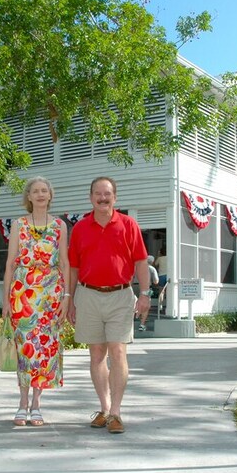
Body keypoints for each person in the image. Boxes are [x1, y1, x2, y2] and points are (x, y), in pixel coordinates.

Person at [68, 176, 150, 434]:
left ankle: (116, 412)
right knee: (96, 354)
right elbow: (73, 268)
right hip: (88, 295)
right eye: (98, 194)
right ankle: (103, 409)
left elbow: (140, 262)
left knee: (118, 352)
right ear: (90, 197)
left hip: (120, 295)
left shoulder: (128, 225)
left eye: (107, 194)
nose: (102, 198)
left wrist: (146, 294)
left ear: (115, 197)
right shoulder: (80, 228)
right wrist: (69, 300)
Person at [2, 176, 70, 427]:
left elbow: (64, 262)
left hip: (51, 296)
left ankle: (37, 404)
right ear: (28, 197)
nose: (41, 194)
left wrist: (66, 296)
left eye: (44, 191)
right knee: (24, 351)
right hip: (22, 295)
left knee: (43, 349)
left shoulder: (59, 226)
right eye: (35, 191)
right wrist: (6, 300)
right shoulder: (18, 225)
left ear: (50, 195)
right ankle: (22, 403)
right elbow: (10, 263)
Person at [137, 256, 159, 331]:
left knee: (135, 304)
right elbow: (156, 281)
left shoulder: (139, 267)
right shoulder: (152, 269)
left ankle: (136, 318)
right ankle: (142, 324)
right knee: (146, 306)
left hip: (136, 286)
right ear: (152, 262)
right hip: (146, 288)